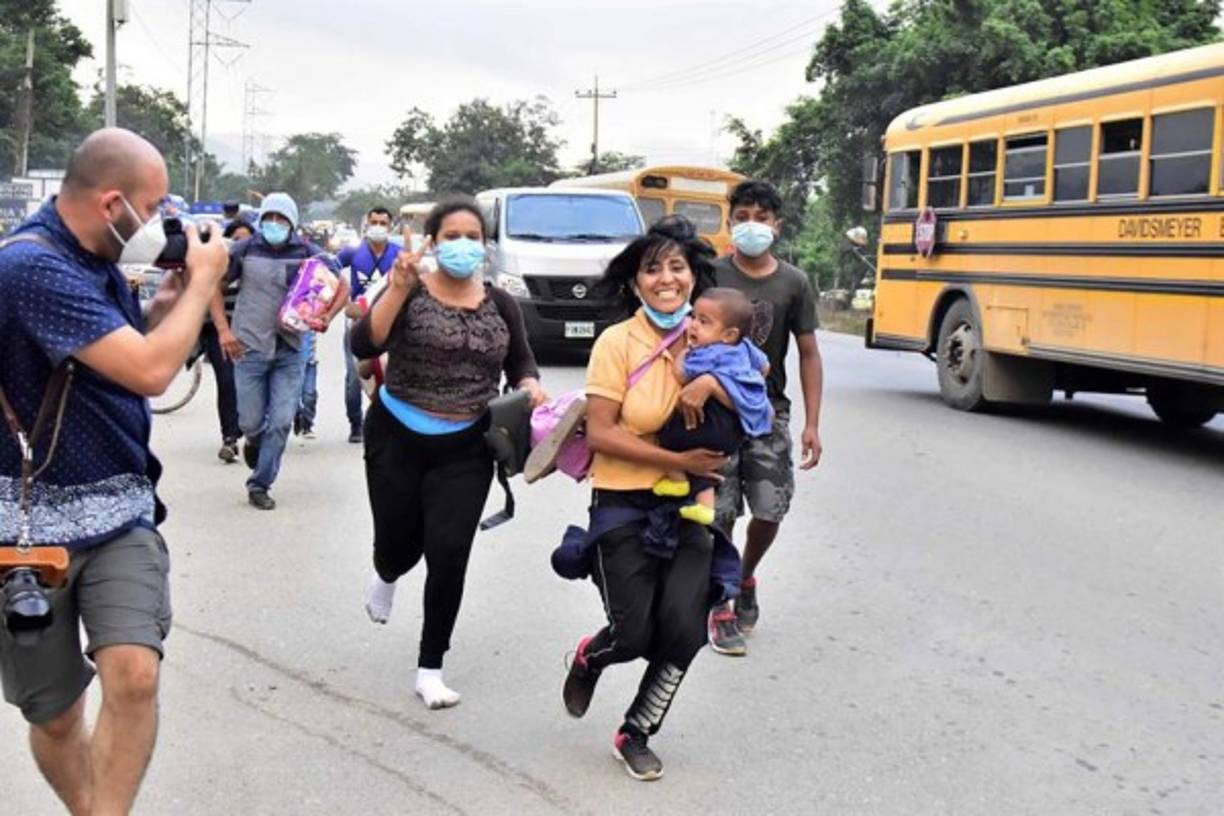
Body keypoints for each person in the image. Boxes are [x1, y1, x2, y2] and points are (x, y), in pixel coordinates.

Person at [0, 128, 228, 814]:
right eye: (154, 207)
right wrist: (205, 286)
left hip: (122, 510)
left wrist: (163, 306)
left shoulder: (93, 260)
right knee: (57, 714)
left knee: (133, 677)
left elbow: (128, 356)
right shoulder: (32, 269)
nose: (163, 225)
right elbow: (153, 372)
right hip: (28, 526)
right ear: (111, 204)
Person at [558, 216, 737, 781]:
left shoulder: (715, 335)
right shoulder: (617, 342)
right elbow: (605, 431)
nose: (666, 278)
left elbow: (755, 400)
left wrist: (711, 384)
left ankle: (636, 731)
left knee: (685, 628)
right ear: (635, 281)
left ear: (693, 277)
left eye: (677, 267)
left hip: (688, 504)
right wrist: (676, 461)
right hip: (622, 497)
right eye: (652, 268)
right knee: (634, 635)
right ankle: (591, 656)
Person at [350, 197, 544, 710]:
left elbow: (523, 361)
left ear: (485, 245)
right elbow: (363, 345)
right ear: (433, 242)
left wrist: (530, 386)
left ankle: (430, 667)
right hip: (397, 435)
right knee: (399, 544)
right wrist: (395, 288)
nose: (463, 245)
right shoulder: (410, 291)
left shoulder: (502, 304)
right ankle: (387, 572)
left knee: (449, 554)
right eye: (452, 236)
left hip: (467, 446)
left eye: (473, 236)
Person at [704, 179, 825, 656]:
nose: (751, 225)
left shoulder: (793, 282)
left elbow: (809, 354)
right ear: (730, 222)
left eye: (761, 217)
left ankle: (745, 573)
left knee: (770, 508)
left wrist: (812, 423)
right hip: (716, 408)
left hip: (767, 411)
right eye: (742, 216)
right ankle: (722, 598)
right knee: (721, 509)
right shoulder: (710, 274)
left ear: (777, 224)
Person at [218, 192, 348, 510]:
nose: (275, 224)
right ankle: (254, 440)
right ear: (261, 220)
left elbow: (341, 284)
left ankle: (260, 484)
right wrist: (223, 330)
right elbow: (213, 286)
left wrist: (326, 317)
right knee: (250, 422)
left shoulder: (308, 252)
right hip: (249, 347)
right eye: (269, 218)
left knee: (281, 420)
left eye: (282, 219)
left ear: (292, 222)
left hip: (291, 350)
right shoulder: (244, 250)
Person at [653, 287, 772, 526]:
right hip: (735, 430)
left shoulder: (707, 353)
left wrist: (682, 353)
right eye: (694, 317)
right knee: (706, 462)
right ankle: (705, 507)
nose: (693, 326)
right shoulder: (746, 348)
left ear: (728, 334)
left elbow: (681, 376)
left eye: (704, 322)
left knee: (664, 437)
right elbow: (765, 367)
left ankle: (677, 481)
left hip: (709, 422)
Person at [336, 206, 401, 443]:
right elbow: (329, 272)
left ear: (391, 226)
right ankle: (355, 423)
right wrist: (344, 301)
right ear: (366, 224)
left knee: (390, 374)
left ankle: (385, 421)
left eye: (383, 223)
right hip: (357, 323)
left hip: (391, 325)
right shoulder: (353, 252)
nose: (378, 227)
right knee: (355, 377)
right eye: (374, 222)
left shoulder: (398, 253)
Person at [202, 215, 254, 463]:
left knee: (249, 384)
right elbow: (209, 292)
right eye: (235, 240)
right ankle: (230, 439)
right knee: (227, 382)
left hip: (251, 331)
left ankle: (250, 430)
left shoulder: (259, 266)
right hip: (219, 330)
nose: (240, 245)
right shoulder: (222, 265)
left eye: (246, 240)